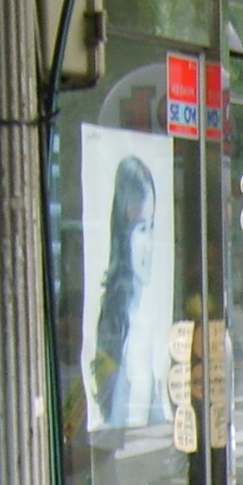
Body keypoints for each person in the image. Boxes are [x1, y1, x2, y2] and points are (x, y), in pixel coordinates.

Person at [90, 155, 169, 430]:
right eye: (139, 229)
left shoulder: (151, 315)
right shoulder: (114, 319)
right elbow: (109, 413)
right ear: (123, 235)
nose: (148, 244)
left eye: (151, 228)